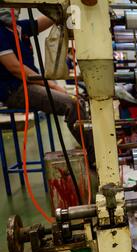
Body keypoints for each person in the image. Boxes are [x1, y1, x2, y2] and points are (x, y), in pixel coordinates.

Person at [0, 8, 95, 167]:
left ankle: (91, 145)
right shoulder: (1, 32)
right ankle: (95, 158)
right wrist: (52, 86)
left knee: (79, 100)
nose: (13, 10)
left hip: (31, 84)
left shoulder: (20, 27)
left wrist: (65, 7)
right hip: (15, 90)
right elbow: (15, 68)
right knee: (72, 104)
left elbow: (48, 19)